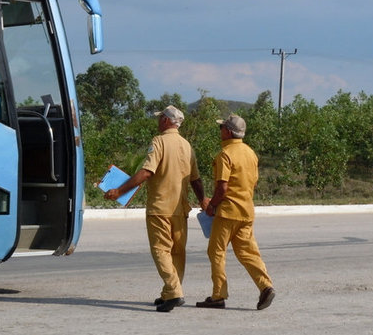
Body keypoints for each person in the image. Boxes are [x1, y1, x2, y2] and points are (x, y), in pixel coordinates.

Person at [104, 105, 208, 312]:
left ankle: (174, 292)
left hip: (160, 206)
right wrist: (203, 199)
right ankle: (169, 292)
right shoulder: (187, 146)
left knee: (161, 249)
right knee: (177, 251)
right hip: (180, 207)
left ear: (167, 121)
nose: (158, 121)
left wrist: (119, 191)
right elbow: (196, 179)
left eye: (161, 118)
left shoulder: (159, 142)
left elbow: (146, 172)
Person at [196, 114, 275, 310]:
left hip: (227, 213)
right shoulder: (251, 153)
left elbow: (222, 187)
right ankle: (265, 286)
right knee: (248, 252)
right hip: (246, 212)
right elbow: (253, 183)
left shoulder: (225, 155)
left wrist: (211, 205)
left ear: (228, 132)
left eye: (221, 128)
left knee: (216, 252)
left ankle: (218, 295)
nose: (220, 131)